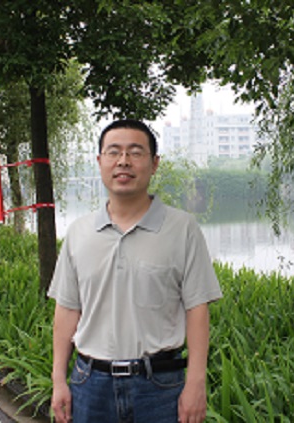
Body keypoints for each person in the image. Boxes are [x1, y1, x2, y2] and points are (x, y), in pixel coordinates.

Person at [48, 119, 222, 423]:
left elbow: (197, 309)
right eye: (114, 152)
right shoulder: (79, 233)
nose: (123, 161)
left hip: (160, 387)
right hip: (90, 385)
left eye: (135, 152)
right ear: (100, 161)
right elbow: (67, 309)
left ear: (154, 164)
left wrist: (196, 383)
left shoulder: (183, 229)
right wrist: (58, 380)